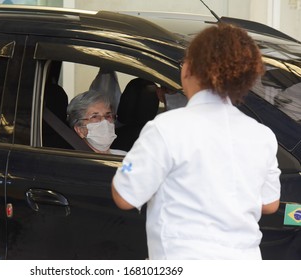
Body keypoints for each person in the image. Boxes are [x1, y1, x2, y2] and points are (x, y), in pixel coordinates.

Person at [111, 23, 281, 259]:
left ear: (188, 69)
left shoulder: (166, 128)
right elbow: (270, 204)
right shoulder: (262, 135)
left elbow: (124, 197)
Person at [67, 89, 126, 155]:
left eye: (108, 116)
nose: (105, 122)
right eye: (95, 117)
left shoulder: (126, 157)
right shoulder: (72, 161)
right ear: (80, 130)